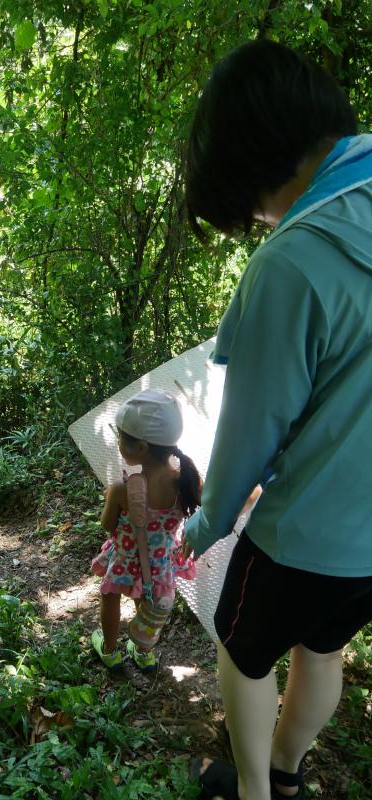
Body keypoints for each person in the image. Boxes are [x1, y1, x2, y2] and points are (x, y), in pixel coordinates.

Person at [182, 40, 372, 800]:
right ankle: (289, 774)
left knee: (243, 647)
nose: (260, 223)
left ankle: (254, 791)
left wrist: (203, 530)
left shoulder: (293, 261)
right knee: (322, 649)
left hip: (304, 536)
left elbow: (249, 434)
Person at [91, 389, 200, 672]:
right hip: (158, 563)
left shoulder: (122, 489)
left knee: (110, 596)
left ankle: (110, 650)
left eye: (122, 439)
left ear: (140, 448)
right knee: (146, 597)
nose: (118, 444)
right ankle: (144, 653)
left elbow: (107, 526)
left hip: (125, 558)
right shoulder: (186, 484)